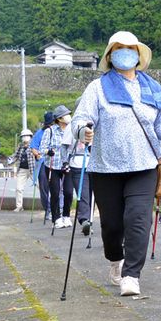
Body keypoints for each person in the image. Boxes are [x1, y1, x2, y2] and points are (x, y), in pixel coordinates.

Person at [72, 31, 161, 297]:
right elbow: (80, 118)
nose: (125, 52)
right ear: (110, 55)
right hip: (106, 168)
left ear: (138, 55)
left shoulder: (151, 87)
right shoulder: (97, 87)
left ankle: (131, 275)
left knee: (138, 219)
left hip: (144, 165)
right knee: (112, 225)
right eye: (119, 48)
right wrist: (83, 130)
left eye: (130, 48)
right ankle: (115, 259)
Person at [40, 104, 74, 229]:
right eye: (66, 115)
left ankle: (66, 215)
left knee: (69, 192)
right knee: (54, 192)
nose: (69, 116)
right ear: (59, 119)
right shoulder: (50, 131)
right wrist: (48, 151)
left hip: (67, 166)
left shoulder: (72, 130)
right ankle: (56, 218)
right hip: (52, 166)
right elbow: (42, 148)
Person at [64, 97, 94, 235]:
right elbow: (65, 147)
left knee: (85, 194)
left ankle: (86, 219)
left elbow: (64, 147)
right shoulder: (74, 125)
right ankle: (85, 220)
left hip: (87, 164)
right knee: (85, 194)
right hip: (82, 164)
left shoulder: (72, 125)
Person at [30, 112, 53, 219]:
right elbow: (33, 148)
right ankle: (47, 210)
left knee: (57, 188)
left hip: (56, 163)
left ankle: (57, 209)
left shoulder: (59, 132)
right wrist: (37, 155)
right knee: (44, 188)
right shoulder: (39, 133)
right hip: (43, 162)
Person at [7, 129, 36, 212]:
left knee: (41, 187)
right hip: (22, 170)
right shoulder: (21, 146)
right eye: (23, 136)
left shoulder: (34, 145)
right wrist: (10, 160)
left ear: (30, 137)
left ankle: (47, 205)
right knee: (19, 188)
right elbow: (15, 156)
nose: (25, 138)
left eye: (27, 136)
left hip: (33, 170)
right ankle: (19, 206)